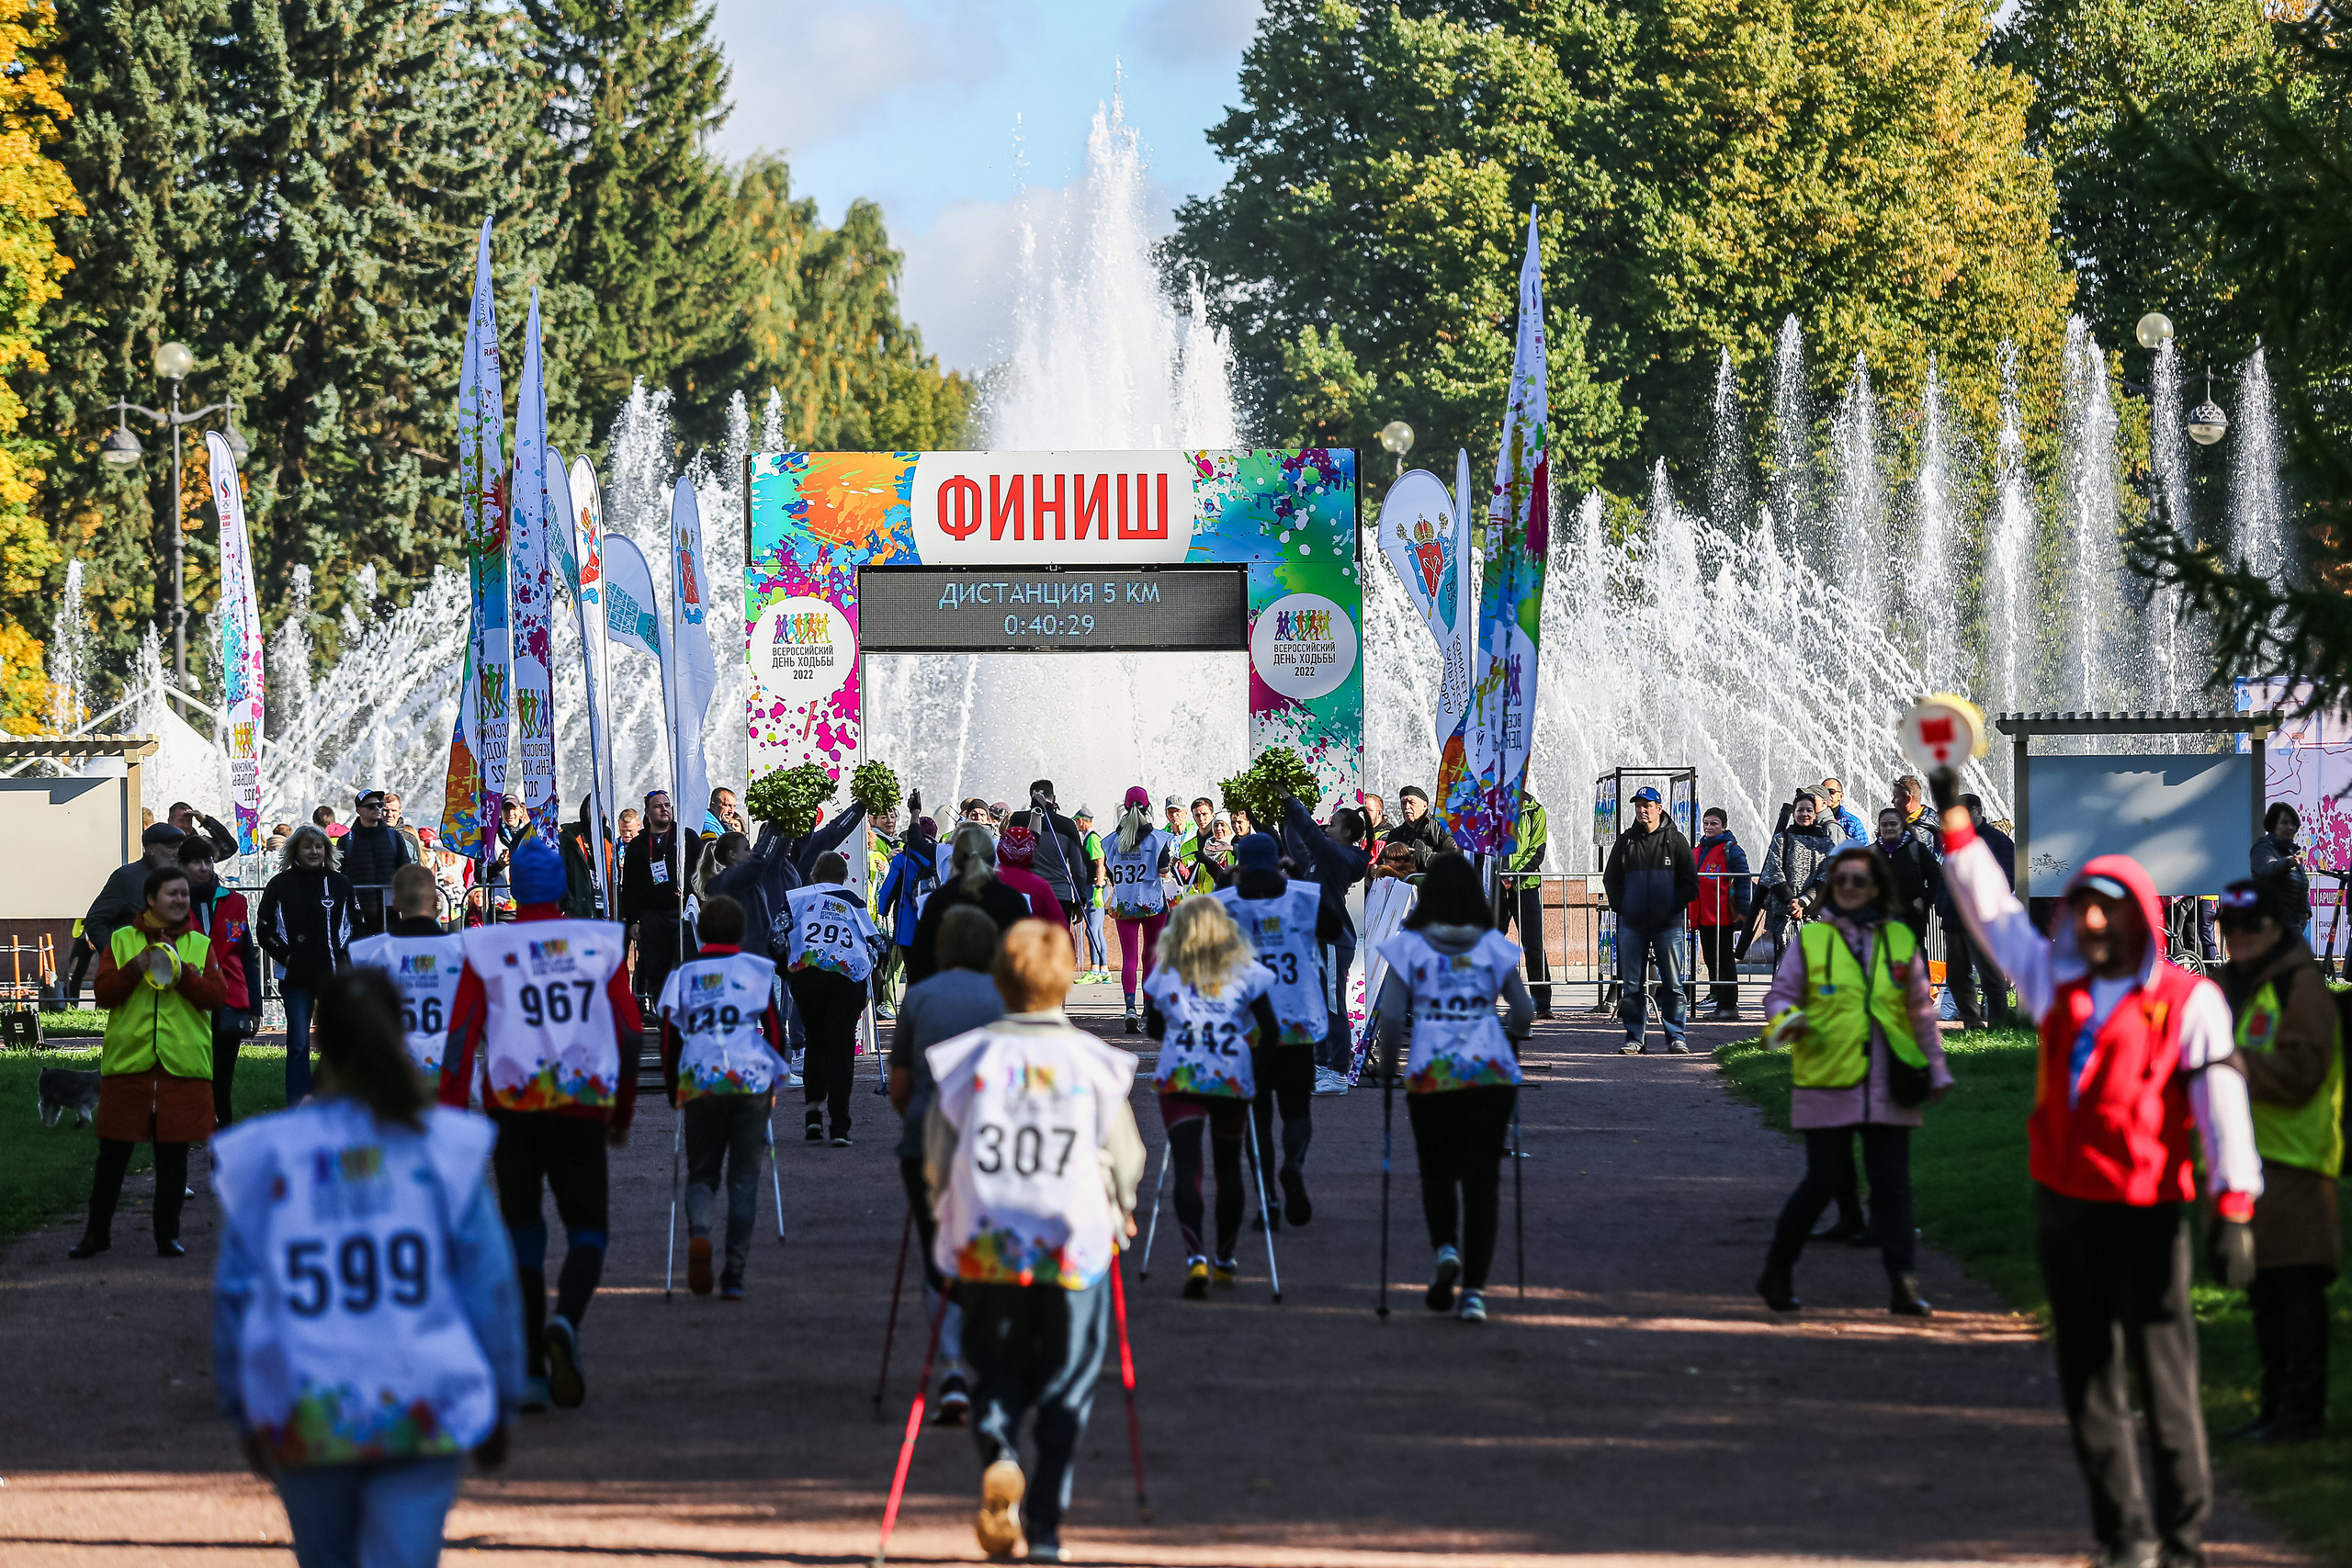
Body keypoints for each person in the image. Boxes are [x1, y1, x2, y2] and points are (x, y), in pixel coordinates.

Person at [1937, 770, 2261, 1568]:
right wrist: (1953, 824)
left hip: (2147, 1211)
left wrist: (2235, 1204)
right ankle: (2125, 1534)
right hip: (2062, 1207)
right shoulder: (2057, 981)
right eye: (2080, 904)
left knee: (2166, 1380)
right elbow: (1995, 916)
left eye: (2106, 907)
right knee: (2089, 1383)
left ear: (2141, 919)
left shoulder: (2190, 1002)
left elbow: (2222, 1105)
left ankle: (2183, 1535)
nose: (2087, 919)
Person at [211, 968, 522, 1567]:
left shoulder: (270, 1152)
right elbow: (491, 1283)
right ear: (399, 1028)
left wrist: (240, 1403)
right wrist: (502, 1396)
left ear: (318, 1033)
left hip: (307, 1400)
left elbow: (236, 1293)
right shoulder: (441, 1145)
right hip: (422, 1396)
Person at [922, 919, 1145, 1565]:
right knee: (1067, 1383)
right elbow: (1126, 1156)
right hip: (1071, 1244)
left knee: (994, 1366)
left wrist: (943, 1206)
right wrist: (1122, 1207)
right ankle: (1045, 1530)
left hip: (990, 1241)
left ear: (1001, 977)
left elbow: (939, 1154)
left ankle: (999, 1448)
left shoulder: (971, 1058)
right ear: (1067, 978)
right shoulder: (1092, 1061)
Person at [437, 835, 642, 1412]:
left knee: (523, 1233)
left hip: (513, 1107)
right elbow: (628, 1033)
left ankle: (529, 1369)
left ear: (513, 887)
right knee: (588, 1231)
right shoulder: (599, 942)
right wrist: (621, 1111)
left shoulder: (485, 947)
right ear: (561, 885)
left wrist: (451, 1118)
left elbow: (459, 1041)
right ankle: (567, 1323)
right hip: (581, 1105)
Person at [1756, 844, 1953, 1315]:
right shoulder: (1812, 941)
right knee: (1821, 1182)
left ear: (1876, 886)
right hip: (1828, 1076)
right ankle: (1777, 1270)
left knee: (1893, 1188)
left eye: (1858, 880)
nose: (1848, 887)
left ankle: (1903, 1285)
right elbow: (1779, 997)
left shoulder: (1901, 941)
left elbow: (1920, 1014)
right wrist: (1787, 1023)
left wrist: (1937, 1068)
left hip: (1891, 1080)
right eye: (1840, 880)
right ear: (1830, 888)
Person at [1372, 852, 1535, 1324]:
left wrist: (1386, 1068)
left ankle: (1445, 1249)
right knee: (1483, 1182)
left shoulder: (1410, 947)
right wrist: (1508, 1032)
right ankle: (1475, 1295)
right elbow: (1523, 1013)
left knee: (1436, 1171)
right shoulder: (1493, 947)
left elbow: (1390, 1017)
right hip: (1491, 1073)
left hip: (1431, 1074)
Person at [2211, 878, 2340, 1445]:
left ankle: (2301, 1417)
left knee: (2296, 1294)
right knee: (2265, 1295)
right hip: (2252, 1161)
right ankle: (2274, 1411)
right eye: (2228, 928)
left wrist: (2235, 1067)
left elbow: (2303, 1072)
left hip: (2299, 1163)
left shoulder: (2299, 986)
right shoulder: (2236, 982)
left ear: (2273, 928)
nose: (2236, 938)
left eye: (2248, 927)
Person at [70, 859, 227, 1258]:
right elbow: (104, 994)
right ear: (150, 899)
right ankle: (96, 1235)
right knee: (113, 1157)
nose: (181, 900)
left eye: (185, 895)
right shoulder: (122, 941)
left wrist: (187, 976)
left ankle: (167, 1237)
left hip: (182, 1067)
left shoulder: (200, 944)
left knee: (173, 1159)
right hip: (131, 1066)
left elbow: (216, 998)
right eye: (172, 894)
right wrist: (134, 970)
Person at [889, 904, 1007, 1427]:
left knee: (939, 1256)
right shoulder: (1007, 998)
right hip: (992, 1144)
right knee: (990, 1250)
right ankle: (991, 1358)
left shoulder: (918, 998)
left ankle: (953, 1366)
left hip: (926, 1140)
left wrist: (919, 1118)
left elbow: (899, 1085)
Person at [1144, 897, 1278, 1296]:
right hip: (1230, 1075)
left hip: (1182, 1072)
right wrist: (1254, 1059)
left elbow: (1154, 1029)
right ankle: (1224, 1259)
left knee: (1187, 1168)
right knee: (1228, 1169)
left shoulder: (1166, 972)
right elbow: (1270, 1030)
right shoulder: (1247, 971)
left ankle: (1195, 1259)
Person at [657, 894, 786, 1300]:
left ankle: (699, 1232)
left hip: (701, 1076)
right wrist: (775, 1081)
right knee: (744, 1181)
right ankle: (734, 1275)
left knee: (701, 1173)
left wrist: (672, 1087)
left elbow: (667, 1039)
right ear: (740, 930)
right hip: (749, 1077)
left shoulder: (682, 974)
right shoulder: (756, 970)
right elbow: (775, 1031)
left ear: (702, 930)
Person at [1214, 832, 1342, 1227]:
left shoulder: (1223, 905)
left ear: (1239, 860)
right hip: (1296, 1021)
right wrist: (1295, 875)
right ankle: (1294, 1164)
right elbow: (1334, 930)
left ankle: (1267, 1200)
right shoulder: (1301, 896)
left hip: (1248, 1026)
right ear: (1276, 859)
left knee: (1257, 1117)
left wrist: (1225, 881)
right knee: (1297, 1109)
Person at [783, 850, 882, 1145]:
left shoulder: (797, 898)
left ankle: (813, 1114)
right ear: (842, 876)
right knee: (842, 1047)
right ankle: (840, 1125)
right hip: (845, 977)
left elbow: (775, 936)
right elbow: (877, 944)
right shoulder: (854, 902)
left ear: (814, 873)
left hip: (807, 976)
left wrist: (785, 968)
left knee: (814, 1039)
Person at [258, 824, 358, 1102]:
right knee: (299, 1044)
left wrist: (344, 958)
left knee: (337, 1041)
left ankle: (336, 1099)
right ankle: (298, 1105)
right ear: (295, 851)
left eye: (319, 847)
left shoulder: (340, 883)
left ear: (327, 850)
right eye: (307, 846)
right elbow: (264, 930)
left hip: (334, 976)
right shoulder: (279, 884)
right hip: (295, 977)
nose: (314, 852)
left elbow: (356, 926)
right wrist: (289, 958)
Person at [1278, 794, 1372, 1076]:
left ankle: (1338, 1071)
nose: (1325, 828)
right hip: (1318, 940)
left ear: (1345, 833)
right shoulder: (1324, 858)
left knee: (1333, 1008)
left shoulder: (1340, 856)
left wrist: (1290, 799)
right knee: (1315, 1005)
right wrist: (1284, 816)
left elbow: (1312, 835)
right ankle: (1320, 1065)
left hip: (1334, 942)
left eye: (1331, 825)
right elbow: (1298, 844)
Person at [350, 863, 467, 1081]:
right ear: (436, 903)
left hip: (395, 1069)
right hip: (451, 1068)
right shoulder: (463, 949)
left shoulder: (368, 953)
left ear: (395, 905)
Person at [1603, 785, 1698, 1055]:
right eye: (1638, 805)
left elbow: (1690, 883)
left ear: (1659, 808)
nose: (1642, 810)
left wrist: (1672, 907)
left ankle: (1676, 1037)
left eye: (1647, 805)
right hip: (1632, 925)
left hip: (1668, 925)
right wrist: (1622, 907)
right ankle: (1635, 1038)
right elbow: (1611, 878)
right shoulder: (1626, 841)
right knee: (1632, 986)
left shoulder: (1675, 840)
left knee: (1673, 984)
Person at [181, 836, 256, 1129]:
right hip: (187, 1000)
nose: (204, 868)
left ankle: (223, 1132)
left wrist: (255, 1007)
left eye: (209, 861)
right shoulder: (174, 902)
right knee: (191, 1072)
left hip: (230, 998)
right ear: (183, 866)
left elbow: (246, 954)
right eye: (197, 862)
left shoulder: (234, 901)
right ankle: (191, 1127)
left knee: (223, 1077)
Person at [906, 824, 1035, 984]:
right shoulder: (1012, 899)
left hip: (949, 989)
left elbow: (921, 960)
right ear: (992, 856)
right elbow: (1026, 957)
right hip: (1001, 993)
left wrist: (915, 812)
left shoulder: (939, 900)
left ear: (955, 856)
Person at [1100, 787, 1179, 1032]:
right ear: (1147, 807)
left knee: (1129, 958)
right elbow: (1164, 872)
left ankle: (1129, 1007)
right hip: (1153, 904)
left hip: (1124, 904)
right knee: (1151, 957)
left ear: (1125, 807)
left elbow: (1112, 873)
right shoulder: (1158, 838)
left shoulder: (1111, 841)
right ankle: (1149, 1009)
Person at [1938, 793, 2016, 1028]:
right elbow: (1945, 877)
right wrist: (1942, 905)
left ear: (1977, 811)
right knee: (1957, 977)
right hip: (1954, 919)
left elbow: (2009, 879)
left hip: (1983, 920)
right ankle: (1972, 1023)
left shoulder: (1998, 841)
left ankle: (1998, 1025)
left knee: (1991, 976)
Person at [84, 821, 189, 959]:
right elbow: (95, 920)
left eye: (179, 848)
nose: (177, 853)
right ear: (151, 849)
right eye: (171, 848)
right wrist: (115, 958)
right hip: (137, 971)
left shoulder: (182, 878)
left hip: (176, 966)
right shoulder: (127, 878)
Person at [620, 788, 685, 1010]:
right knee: (657, 970)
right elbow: (628, 887)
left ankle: (684, 1015)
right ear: (647, 812)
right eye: (658, 806)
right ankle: (663, 1016)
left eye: (667, 805)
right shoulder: (638, 845)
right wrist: (633, 921)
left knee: (684, 966)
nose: (664, 810)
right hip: (652, 916)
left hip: (681, 913)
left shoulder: (684, 838)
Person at [1757, 793, 1836, 966]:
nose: (1804, 814)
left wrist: (1804, 901)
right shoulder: (1781, 839)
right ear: (1794, 813)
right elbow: (1772, 871)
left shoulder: (1827, 844)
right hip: (1784, 914)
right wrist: (1791, 901)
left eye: (1809, 810)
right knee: (1785, 966)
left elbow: (1828, 874)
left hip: (1814, 914)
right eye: (1800, 810)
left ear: (1815, 814)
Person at [1688, 807, 1750, 1021]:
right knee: (1711, 959)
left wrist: (1743, 911)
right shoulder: (1697, 850)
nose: (1709, 827)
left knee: (1724, 960)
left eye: (1714, 823)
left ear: (1724, 825)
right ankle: (1719, 1000)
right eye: (1706, 823)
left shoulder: (1731, 850)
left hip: (1723, 916)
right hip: (1703, 916)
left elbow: (1743, 881)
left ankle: (1728, 1005)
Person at [1010, 779, 1094, 931]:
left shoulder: (1017, 820)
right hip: (1059, 896)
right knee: (1056, 948)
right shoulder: (1067, 825)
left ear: (1031, 797)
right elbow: (1079, 870)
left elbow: (1008, 858)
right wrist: (1080, 901)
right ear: (1053, 798)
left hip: (1026, 896)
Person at [1498, 794, 1553, 1020]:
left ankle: (1543, 1004)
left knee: (1533, 944)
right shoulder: (1491, 806)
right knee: (1489, 942)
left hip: (1525, 886)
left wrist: (1512, 876)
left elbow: (1537, 850)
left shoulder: (1535, 810)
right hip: (1496, 886)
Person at [876, 814, 941, 991]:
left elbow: (888, 891)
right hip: (936, 924)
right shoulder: (941, 857)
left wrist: (882, 910)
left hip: (908, 926)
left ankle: (914, 1010)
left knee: (913, 971)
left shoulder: (902, 859)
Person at [340, 788, 417, 934]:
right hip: (358, 915)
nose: (377, 809)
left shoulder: (394, 837)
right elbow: (340, 875)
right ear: (359, 810)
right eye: (371, 806)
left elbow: (407, 872)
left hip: (390, 913)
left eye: (379, 805)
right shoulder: (347, 841)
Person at [1875, 806, 1942, 944]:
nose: (1889, 828)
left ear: (1902, 826)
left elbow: (1939, 877)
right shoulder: (1870, 853)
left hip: (1911, 920)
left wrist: (1924, 898)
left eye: (1893, 824)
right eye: (1884, 825)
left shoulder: (1916, 849)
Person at [2251, 804, 2314, 943]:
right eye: (2285, 823)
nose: (2290, 827)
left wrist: (2305, 914)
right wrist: (2287, 863)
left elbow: (2301, 889)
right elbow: (2267, 867)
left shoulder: (2291, 854)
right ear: (2273, 824)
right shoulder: (2263, 849)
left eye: (2293, 823)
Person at [560, 795, 613, 919]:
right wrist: (569, 903)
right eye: (590, 807)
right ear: (584, 809)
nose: (595, 811)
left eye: (600, 808)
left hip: (606, 906)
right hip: (580, 907)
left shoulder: (608, 836)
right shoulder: (570, 837)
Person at [1073, 807, 1110, 984]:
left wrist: (1098, 887)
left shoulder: (1092, 838)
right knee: (1097, 930)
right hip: (1096, 887)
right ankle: (1104, 970)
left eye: (1076, 821)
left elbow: (1100, 863)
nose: (1076, 824)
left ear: (1082, 820)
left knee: (1091, 930)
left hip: (1095, 887)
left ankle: (1095, 968)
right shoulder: (1090, 837)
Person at [1383, 785, 1458, 868]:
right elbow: (1385, 860)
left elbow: (1453, 857)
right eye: (1403, 803)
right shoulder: (1395, 834)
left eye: (1411, 803)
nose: (1407, 807)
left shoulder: (1442, 828)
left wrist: (1420, 854)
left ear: (1425, 806)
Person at [167, 799, 238, 863]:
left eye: (189, 821)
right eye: (181, 820)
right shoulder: (162, 844)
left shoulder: (200, 845)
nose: (186, 825)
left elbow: (230, 848)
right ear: (170, 821)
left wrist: (206, 821)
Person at [1890, 774, 1940, 853]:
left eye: (1896, 796)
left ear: (1908, 799)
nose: (1892, 801)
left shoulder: (1916, 835)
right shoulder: (1933, 818)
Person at [1815, 777, 1868, 848]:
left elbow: (1864, 850)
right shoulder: (1813, 819)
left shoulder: (1852, 822)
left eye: (1831, 791)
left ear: (1841, 796)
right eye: (1823, 792)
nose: (1827, 795)